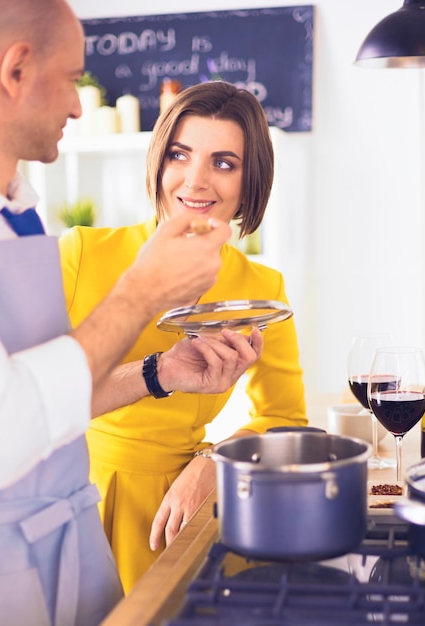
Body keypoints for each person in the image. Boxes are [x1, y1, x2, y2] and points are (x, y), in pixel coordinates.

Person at [0, 3, 262, 625]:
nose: (81, 107)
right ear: (16, 70)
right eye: (72, 79)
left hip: (65, 548)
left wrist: (160, 373)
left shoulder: (18, 217)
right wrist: (141, 293)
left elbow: (42, 404)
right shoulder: (79, 248)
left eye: (225, 161)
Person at [59, 80, 308, 592]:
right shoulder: (81, 253)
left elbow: (286, 419)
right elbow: (31, 403)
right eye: (180, 154)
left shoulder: (261, 289)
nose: (195, 181)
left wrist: (215, 460)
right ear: (159, 159)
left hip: (177, 516)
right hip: (71, 502)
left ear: (249, 180)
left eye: (223, 162)